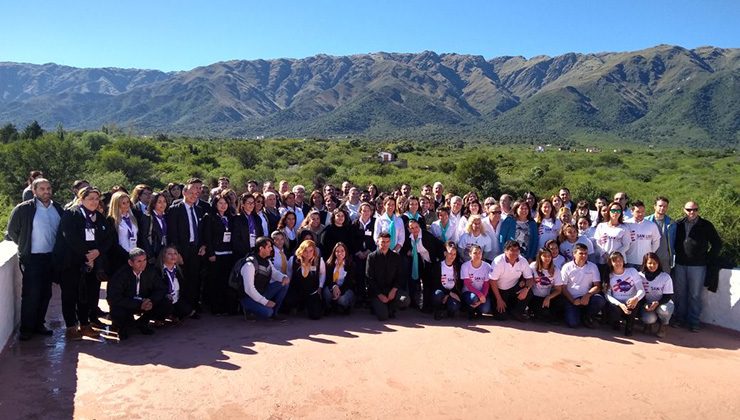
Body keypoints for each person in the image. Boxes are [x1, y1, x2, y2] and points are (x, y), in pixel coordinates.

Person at [6, 177, 63, 340]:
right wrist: (25, 245)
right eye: (42, 189)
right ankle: (26, 329)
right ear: (34, 191)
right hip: (33, 259)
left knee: (46, 294)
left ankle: (39, 324)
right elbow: (13, 231)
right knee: (31, 294)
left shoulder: (57, 208)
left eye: (48, 188)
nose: (46, 192)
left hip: (51, 258)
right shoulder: (24, 209)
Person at [53, 186, 112, 340]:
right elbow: (70, 238)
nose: (94, 201)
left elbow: (108, 238)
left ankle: (85, 325)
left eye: (96, 198)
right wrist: (87, 257)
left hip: (91, 263)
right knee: (70, 295)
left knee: (87, 295)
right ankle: (71, 327)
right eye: (90, 198)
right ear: (81, 199)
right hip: (71, 263)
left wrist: (97, 252)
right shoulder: (71, 214)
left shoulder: (99, 217)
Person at [672, 201, 722, 332]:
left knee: (694, 295)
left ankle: (694, 322)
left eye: (694, 209)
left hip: (698, 266)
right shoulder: (678, 224)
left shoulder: (706, 225)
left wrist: (708, 257)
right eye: (688, 209)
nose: (691, 212)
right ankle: (679, 318)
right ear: (684, 210)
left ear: (698, 210)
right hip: (680, 264)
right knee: (680, 293)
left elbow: (717, 243)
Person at [107, 248, 170, 340]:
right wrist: (138, 304)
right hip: (128, 304)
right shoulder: (120, 275)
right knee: (117, 311)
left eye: (144, 260)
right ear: (130, 263)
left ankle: (142, 323)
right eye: (139, 261)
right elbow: (114, 298)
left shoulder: (150, 271)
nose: (143, 263)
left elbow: (161, 288)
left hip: (146, 302)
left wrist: (151, 300)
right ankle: (123, 326)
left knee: (166, 303)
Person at [166, 178, 207, 316]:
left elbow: (201, 231)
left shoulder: (199, 210)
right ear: (184, 191)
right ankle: (181, 309)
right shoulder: (175, 209)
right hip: (181, 251)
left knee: (194, 279)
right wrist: (176, 254)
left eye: (198, 192)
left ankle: (193, 306)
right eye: (192, 191)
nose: (195, 194)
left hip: (195, 250)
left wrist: (202, 245)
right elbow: (172, 233)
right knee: (181, 280)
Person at [238, 236, 290, 321]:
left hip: (262, 292)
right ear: (261, 248)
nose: (271, 249)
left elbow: (274, 273)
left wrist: (283, 277)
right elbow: (249, 289)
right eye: (269, 247)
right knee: (268, 312)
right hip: (248, 297)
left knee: (284, 284)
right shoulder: (249, 265)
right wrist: (265, 302)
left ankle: (275, 313)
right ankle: (248, 310)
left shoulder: (267, 260)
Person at [401, 219, 444, 311]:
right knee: (423, 283)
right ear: (409, 229)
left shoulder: (426, 236)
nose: (415, 229)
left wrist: (439, 259)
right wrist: (408, 251)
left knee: (430, 284)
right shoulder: (409, 238)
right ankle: (423, 306)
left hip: (434, 261)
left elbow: (438, 246)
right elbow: (404, 248)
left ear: (419, 226)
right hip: (422, 262)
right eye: (412, 228)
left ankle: (432, 306)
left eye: (416, 227)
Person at [366, 232, 410, 321]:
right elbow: (369, 278)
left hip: (392, 291)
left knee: (405, 300)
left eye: (387, 242)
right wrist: (380, 295)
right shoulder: (372, 257)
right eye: (382, 242)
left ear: (390, 242)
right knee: (383, 317)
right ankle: (377, 306)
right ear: (378, 242)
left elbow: (400, 276)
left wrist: (394, 290)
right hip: (377, 293)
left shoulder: (396, 256)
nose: (385, 244)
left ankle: (390, 306)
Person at [203, 196, 235, 315]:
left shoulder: (231, 217)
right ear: (215, 204)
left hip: (228, 253)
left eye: (225, 203)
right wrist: (211, 253)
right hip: (216, 254)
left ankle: (226, 307)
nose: (223, 205)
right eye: (220, 203)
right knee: (215, 282)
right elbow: (207, 236)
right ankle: (216, 308)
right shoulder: (210, 217)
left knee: (226, 282)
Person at [560, 243, 606, 328]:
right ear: (574, 254)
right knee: (573, 323)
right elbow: (563, 288)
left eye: (586, 253)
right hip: (571, 298)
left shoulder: (593, 266)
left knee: (599, 300)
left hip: (586, 297)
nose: (584, 256)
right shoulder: (567, 267)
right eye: (581, 253)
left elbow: (597, 286)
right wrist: (573, 300)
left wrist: (588, 295)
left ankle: (588, 316)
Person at [489, 241, 534, 321]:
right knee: (501, 317)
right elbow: (492, 281)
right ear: (505, 251)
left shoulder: (523, 261)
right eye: (512, 250)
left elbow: (530, 279)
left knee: (529, 292)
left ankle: (517, 312)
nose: (515, 253)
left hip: (513, 288)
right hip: (499, 291)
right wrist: (499, 299)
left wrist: (526, 289)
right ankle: (507, 309)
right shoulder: (498, 261)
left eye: (517, 250)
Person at [604, 251, 645, 336]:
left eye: (620, 260)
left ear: (623, 261)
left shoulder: (632, 271)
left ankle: (629, 326)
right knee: (613, 308)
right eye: (615, 261)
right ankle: (616, 321)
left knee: (634, 304)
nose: (618, 263)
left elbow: (641, 290)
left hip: (631, 302)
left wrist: (636, 298)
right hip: (617, 303)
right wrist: (619, 304)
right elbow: (607, 295)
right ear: (611, 263)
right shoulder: (609, 275)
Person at [107, 191, 145, 276]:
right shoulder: (111, 220)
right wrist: (126, 255)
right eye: (123, 203)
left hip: (135, 256)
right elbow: (113, 242)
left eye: (128, 202)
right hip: (120, 257)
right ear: (116, 204)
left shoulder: (134, 217)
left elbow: (139, 236)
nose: (127, 205)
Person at [286, 240, 325, 319]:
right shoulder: (293, 260)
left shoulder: (319, 261)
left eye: (311, 251)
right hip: (297, 290)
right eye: (305, 251)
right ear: (301, 250)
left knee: (315, 316)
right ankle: (298, 306)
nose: (308, 254)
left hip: (312, 292)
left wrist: (320, 287)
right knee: (287, 304)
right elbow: (289, 274)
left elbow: (322, 274)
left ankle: (307, 306)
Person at [639, 252, 674, 338]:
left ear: (658, 264)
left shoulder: (665, 277)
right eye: (650, 263)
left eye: (655, 263)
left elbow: (668, 296)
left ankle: (663, 325)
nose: (652, 265)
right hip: (647, 304)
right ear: (645, 263)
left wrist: (657, 303)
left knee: (664, 310)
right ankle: (648, 324)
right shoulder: (640, 276)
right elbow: (638, 292)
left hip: (663, 303)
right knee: (648, 319)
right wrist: (645, 304)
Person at [158, 245, 195, 321]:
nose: (173, 256)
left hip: (176, 299)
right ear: (163, 256)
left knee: (187, 310)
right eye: (169, 254)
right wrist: (165, 294)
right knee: (166, 305)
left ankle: (173, 315)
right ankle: (159, 318)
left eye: (175, 253)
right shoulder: (158, 271)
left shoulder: (179, 270)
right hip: (164, 300)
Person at [593, 202, 631, 276]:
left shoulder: (624, 228)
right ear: (609, 211)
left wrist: (614, 256)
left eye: (618, 211)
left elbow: (626, 245)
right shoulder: (601, 226)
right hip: (603, 260)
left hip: (618, 262)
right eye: (613, 210)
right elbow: (596, 242)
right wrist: (604, 254)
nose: (616, 213)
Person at [350, 202, 376, 304]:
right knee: (359, 273)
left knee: (370, 274)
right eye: (363, 210)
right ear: (360, 211)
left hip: (371, 253)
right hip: (358, 254)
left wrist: (369, 250)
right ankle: (360, 296)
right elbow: (351, 240)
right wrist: (358, 252)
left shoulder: (375, 222)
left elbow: (377, 238)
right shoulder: (355, 224)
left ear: (371, 212)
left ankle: (370, 297)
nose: (366, 213)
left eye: (368, 211)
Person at [529, 248, 564, 322]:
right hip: (534, 296)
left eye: (549, 256)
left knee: (561, 300)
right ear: (539, 257)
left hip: (547, 297)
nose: (547, 258)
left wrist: (548, 297)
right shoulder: (533, 266)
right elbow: (527, 280)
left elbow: (558, 290)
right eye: (544, 256)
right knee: (540, 315)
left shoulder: (556, 270)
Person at [431, 241, 462, 320]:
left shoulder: (458, 267)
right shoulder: (438, 265)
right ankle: (438, 309)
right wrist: (446, 293)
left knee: (454, 306)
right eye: (450, 253)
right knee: (437, 294)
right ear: (445, 253)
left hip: (452, 293)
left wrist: (449, 294)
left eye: (454, 254)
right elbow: (434, 283)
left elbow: (459, 284)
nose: (452, 256)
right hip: (441, 291)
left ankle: (448, 310)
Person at [625, 200, 661, 268]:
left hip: (645, 262)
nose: (641, 214)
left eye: (643, 212)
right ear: (632, 211)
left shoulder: (651, 225)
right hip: (629, 261)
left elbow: (656, 242)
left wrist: (649, 254)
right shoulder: (626, 224)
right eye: (638, 212)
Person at [460, 244, 492, 319]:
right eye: (475, 253)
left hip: (483, 293)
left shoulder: (487, 266)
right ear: (470, 254)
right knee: (474, 298)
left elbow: (486, 284)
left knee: (485, 309)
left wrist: (482, 298)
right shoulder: (465, 266)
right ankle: (470, 310)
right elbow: (468, 284)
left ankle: (478, 310)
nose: (477, 255)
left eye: (479, 253)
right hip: (468, 292)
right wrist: (480, 295)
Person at [324, 242, 356, 314]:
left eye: (342, 251)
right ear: (334, 252)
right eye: (337, 251)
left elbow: (350, 282)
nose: (340, 253)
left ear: (345, 252)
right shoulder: (329, 264)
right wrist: (334, 286)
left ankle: (346, 307)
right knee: (326, 292)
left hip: (346, 289)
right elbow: (328, 280)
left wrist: (340, 291)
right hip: (333, 288)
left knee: (342, 299)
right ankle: (330, 307)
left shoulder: (350, 264)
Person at [645, 196, 676, 273]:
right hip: (649, 258)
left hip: (664, 259)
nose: (662, 208)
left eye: (665, 206)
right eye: (660, 206)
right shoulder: (645, 221)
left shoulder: (672, 223)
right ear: (655, 206)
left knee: (664, 282)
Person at [232, 193, 264, 259]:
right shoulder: (237, 219)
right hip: (242, 254)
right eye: (249, 203)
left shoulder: (257, 218)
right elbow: (236, 239)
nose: (251, 205)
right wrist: (246, 252)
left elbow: (261, 234)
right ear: (243, 204)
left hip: (255, 251)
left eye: (253, 203)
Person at [140, 192, 169, 260]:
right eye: (159, 202)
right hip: (154, 252)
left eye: (164, 201)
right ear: (153, 203)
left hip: (165, 250)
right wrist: (150, 254)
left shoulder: (166, 216)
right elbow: (144, 238)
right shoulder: (148, 217)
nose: (163, 204)